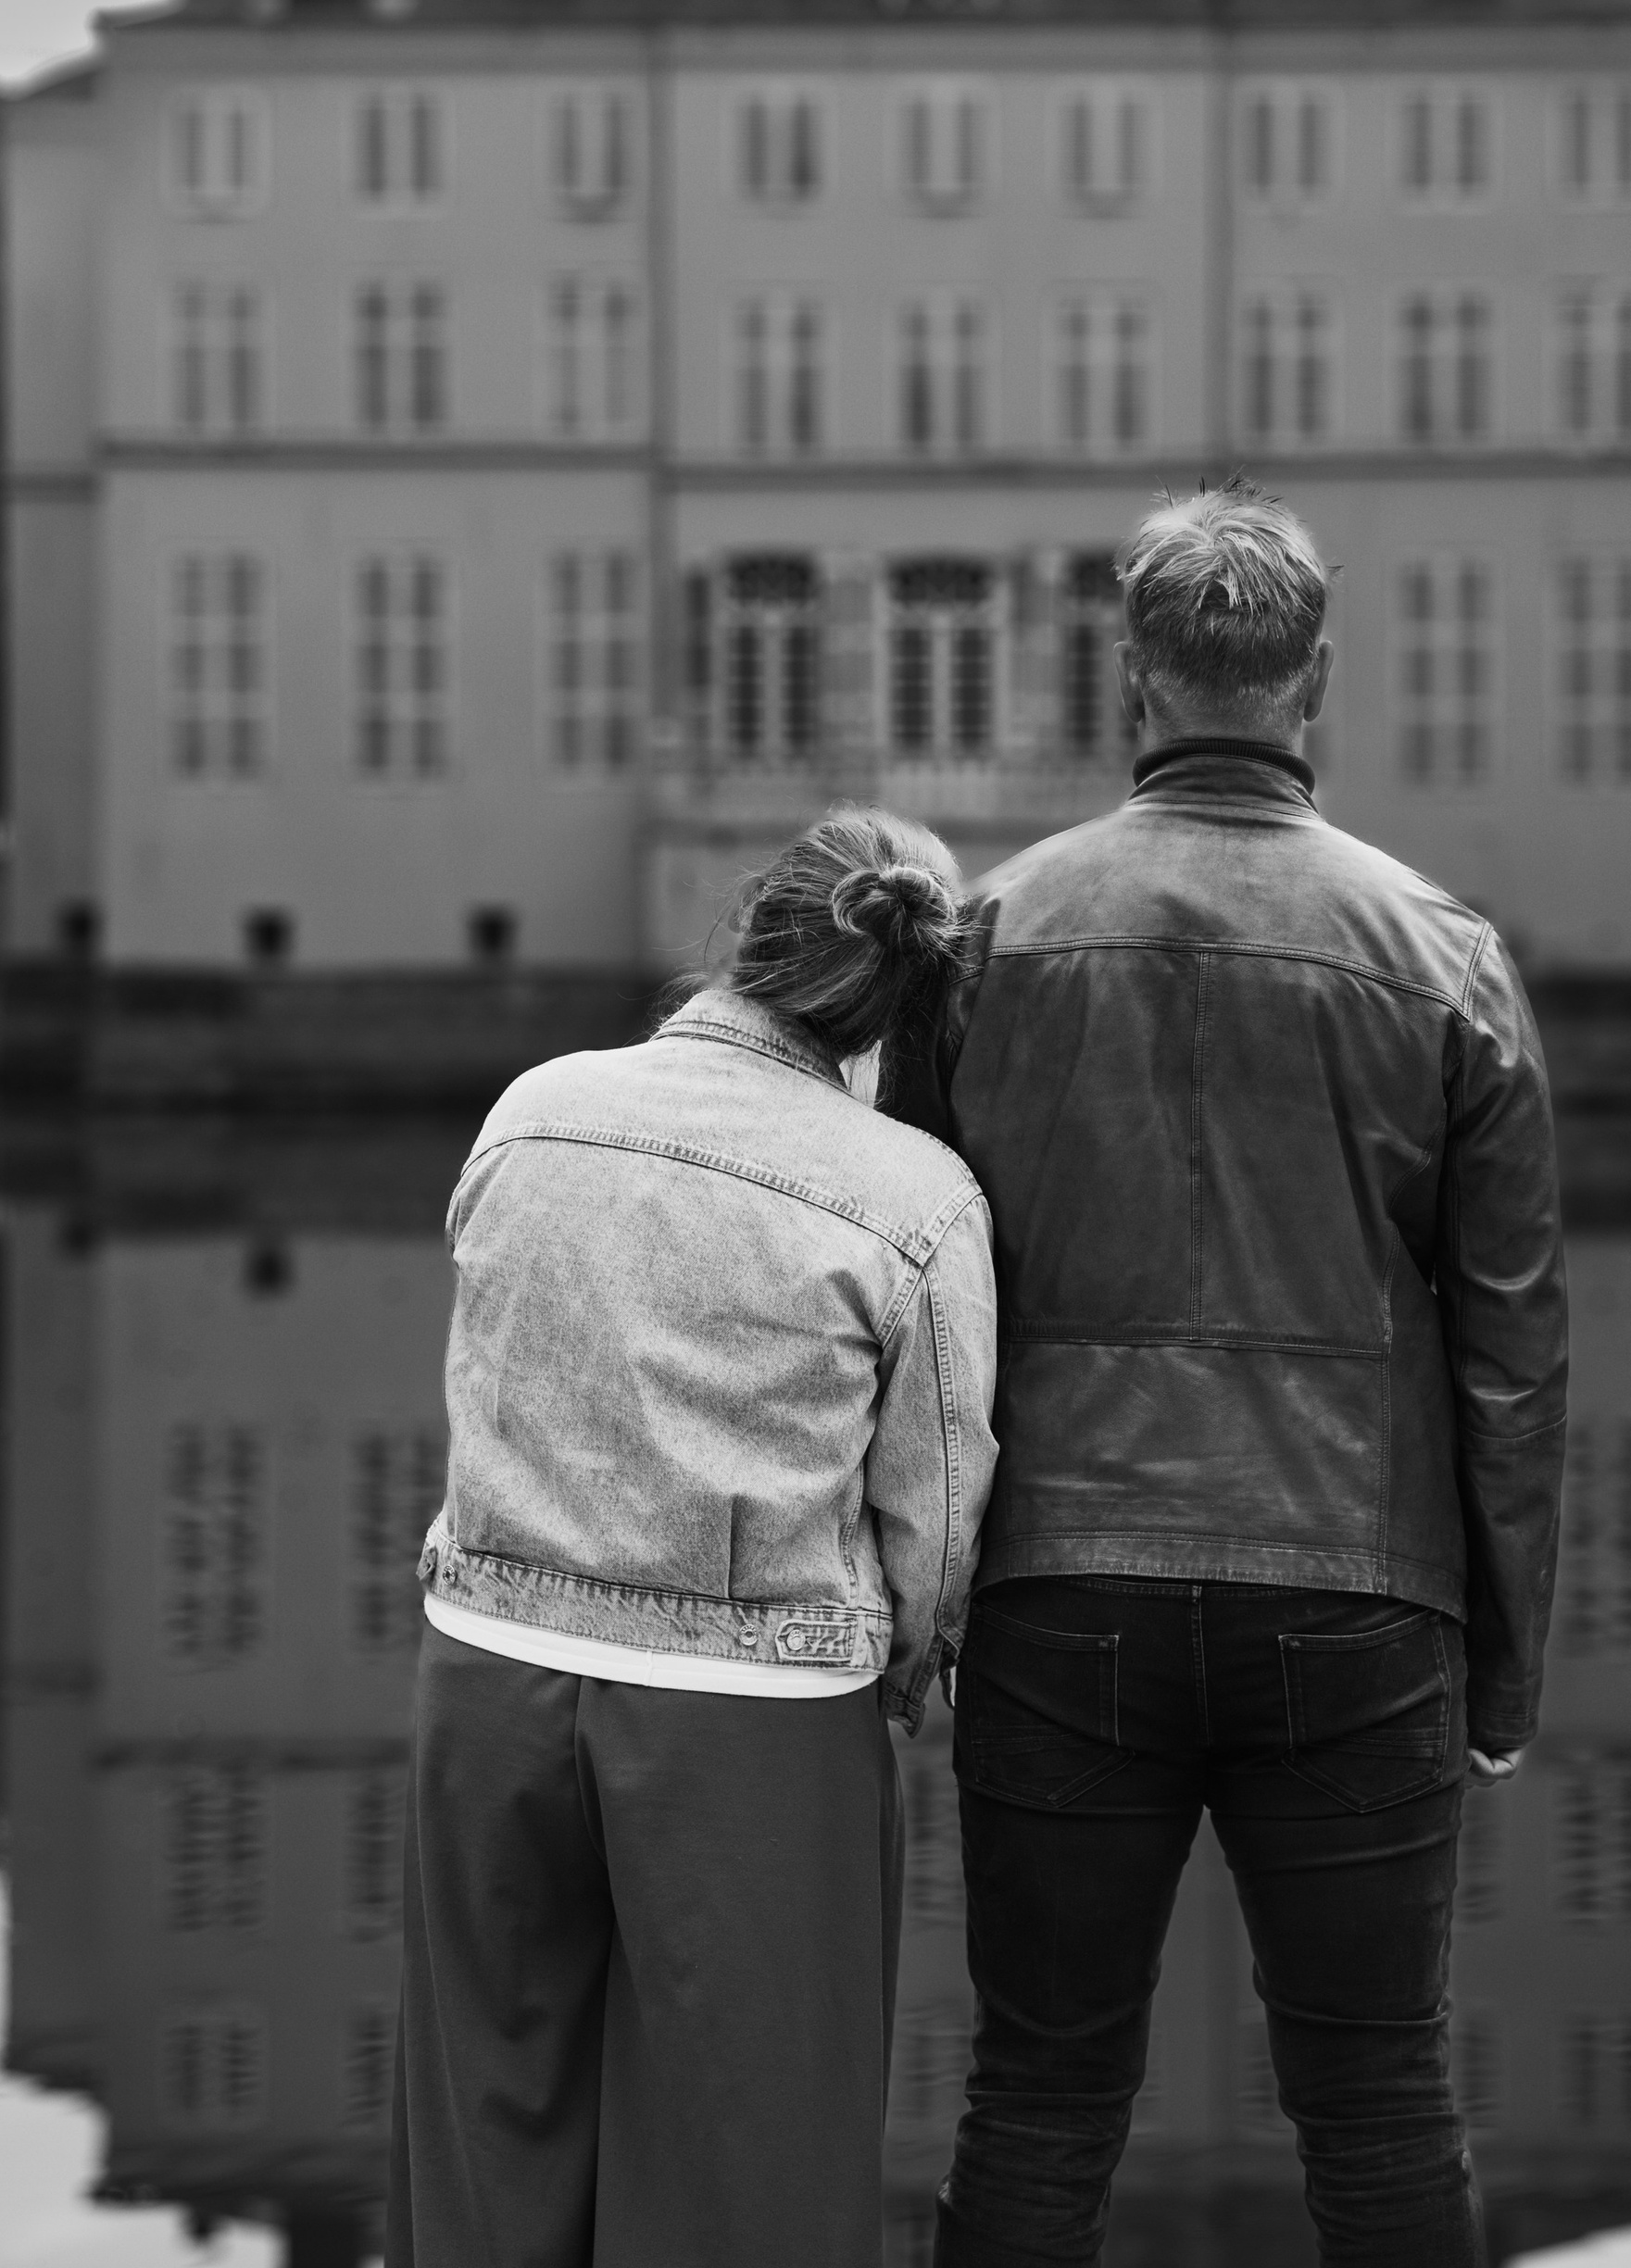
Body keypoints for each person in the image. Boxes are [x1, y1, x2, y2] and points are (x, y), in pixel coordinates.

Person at [919, 484, 1569, 2267]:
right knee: (1382, 2106)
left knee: (1037, 2100)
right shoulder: (1444, 957)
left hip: (1060, 1586)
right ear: (1316, 681)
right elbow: (1513, 1353)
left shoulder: (987, 938)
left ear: (1131, 678)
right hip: (1360, 1592)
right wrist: (1506, 1664)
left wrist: (913, 1607)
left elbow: (911, 1307)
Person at [389, 807, 999, 2268]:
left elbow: (490, 1363)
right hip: (754, 1718)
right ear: (909, 1001)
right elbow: (935, 1523)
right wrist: (903, 1670)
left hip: (488, 1674)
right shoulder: (914, 1195)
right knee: (746, 2181)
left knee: (486, 2146)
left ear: (748, 931)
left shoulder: (532, 1108)